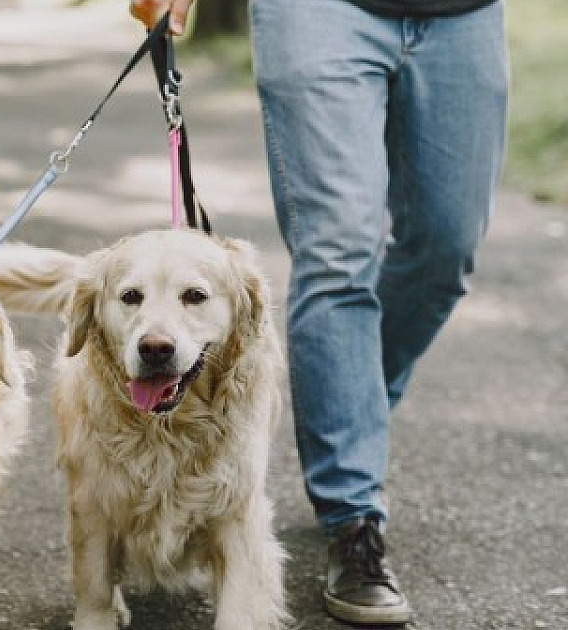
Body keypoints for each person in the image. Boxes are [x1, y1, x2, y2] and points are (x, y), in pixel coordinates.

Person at [130, 0, 508, 625]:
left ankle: (347, 400)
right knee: (337, 251)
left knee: (447, 248)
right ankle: (353, 517)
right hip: (318, 13)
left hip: (463, 14)